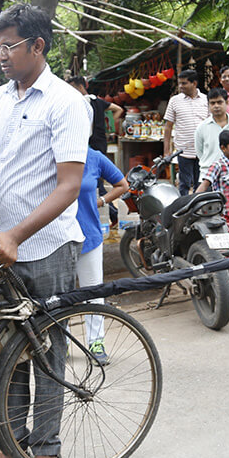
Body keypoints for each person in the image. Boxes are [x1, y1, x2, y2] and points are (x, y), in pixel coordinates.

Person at [0, 3, 89, 458]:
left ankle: (46, 449)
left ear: (38, 46)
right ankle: (11, 442)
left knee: (48, 351)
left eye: (9, 45)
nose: (1, 55)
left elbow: (68, 186)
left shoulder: (67, 102)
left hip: (47, 248)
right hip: (0, 248)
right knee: (10, 352)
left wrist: (17, 234)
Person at [75, 146, 128, 363]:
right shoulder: (52, 153)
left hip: (89, 236)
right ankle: (60, 342)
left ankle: (96, 342)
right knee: (58, 294)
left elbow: (122, 184)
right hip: (56, 239)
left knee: (94, 292)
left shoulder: (94, 157)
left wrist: (101, 201)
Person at [196, 129, 229, 300]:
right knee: (228, 252)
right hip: (226, 218)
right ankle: (224, 287)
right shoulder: (218, 165)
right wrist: (194, 200)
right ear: (223, 148)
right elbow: (205, 184)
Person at [69, 75, 123, 234]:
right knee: (97, 180)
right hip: (101, 142)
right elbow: (119, 109)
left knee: (96, 182)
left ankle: (113, 214)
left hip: (90, 144)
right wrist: (109, 126)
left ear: (79, 86)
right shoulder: (98, 101)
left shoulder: (81, 102)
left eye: (72, 87)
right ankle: (112, 213)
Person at [163, 68, 209, 195]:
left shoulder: (206, 100)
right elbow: (168, 127)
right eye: (180, 83)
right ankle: (183, 209)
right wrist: (166, 151)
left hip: (203, 151)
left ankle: (198, 209)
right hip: (183, 151)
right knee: (184, 184)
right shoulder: (174, 101)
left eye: (184, 83)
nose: (180, 86)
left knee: (201, 184)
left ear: (194, 84)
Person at [194, 88, 229, 169]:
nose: (216, 106)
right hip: (209, 175)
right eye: (212, 103)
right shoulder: (202, 128)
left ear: (227, 103)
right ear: (208, 105)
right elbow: (200, 152)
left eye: (219, 102)